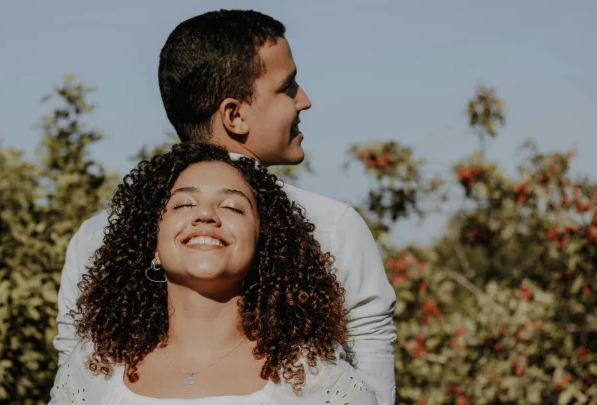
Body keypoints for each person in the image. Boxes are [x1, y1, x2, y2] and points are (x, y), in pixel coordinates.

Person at [54, 9, 397, 404]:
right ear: (234, 115)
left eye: (234, 208)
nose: (304, 101)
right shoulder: (333, 226)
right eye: (287, 88)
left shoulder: (97, 232)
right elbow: (375, 380)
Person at [49, 143, 378, 404]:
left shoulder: (312, 374)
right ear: (153, 247)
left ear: (264, 246)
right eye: (183, 205)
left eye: (233, 207)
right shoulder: (95, 367)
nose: (205, 214)